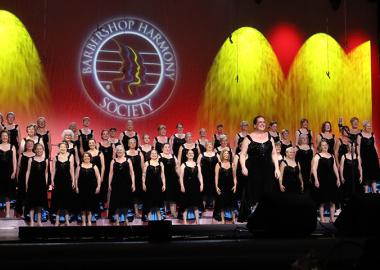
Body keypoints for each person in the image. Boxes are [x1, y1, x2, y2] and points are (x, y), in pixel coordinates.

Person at [239, 115, 280, 222]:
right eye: (260, 122)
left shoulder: (270, 137)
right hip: (253, 169)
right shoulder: (248, 138)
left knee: (268, 192)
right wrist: (243, 167)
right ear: (255, 125)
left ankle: (267, 216)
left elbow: (274, 154)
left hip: (268, 169)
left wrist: (277, 168)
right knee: (253, 192)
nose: (262, 124)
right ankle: (253, 217)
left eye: (264, 122)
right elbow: (242, 155)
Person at [312, 140, 340, 223]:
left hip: (331, 180)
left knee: (333, 200)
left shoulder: (331, 155)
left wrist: (338, 178)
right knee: (322, 200)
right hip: (322, 180)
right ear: (320, 147)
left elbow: (334, 167)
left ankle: (332, 218)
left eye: (326, 145)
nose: (325, 146)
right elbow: (314, 169)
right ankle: (322, 217)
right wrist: (316, 180)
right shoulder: (317, 156)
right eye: (323, 145)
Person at [108, 145, 135, 225]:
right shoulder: (113, 161)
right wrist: (109, 184)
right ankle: (117, 219)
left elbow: (132, 173)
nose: (119, 151)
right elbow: (111, 173)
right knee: (116, 202)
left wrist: (133, 183)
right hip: (116, 184)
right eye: (118, 150)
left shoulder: (128, 160)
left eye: (121, 150)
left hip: (126, 184)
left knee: (125, 202)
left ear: (123, 151)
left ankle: (126, 219)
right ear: (116, 151)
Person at [50, 142, 75, 226]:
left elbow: (72, 169)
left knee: (67, 200)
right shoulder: (56, 157)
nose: (63, 148)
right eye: (61, 147)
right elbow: (53, 170)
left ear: (67, 148)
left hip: (67, 181)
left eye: (64, 147)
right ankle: (57, 220)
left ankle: (67, 220)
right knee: (57, 200)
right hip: (58, 181)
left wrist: (73, 180)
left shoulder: (70, 156)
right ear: (59, 148)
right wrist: (52, 181)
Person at [25, 143, 48, 226]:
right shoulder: (31, 159)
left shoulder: (46, 159)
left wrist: (46, 183)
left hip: (41, 184)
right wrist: (26, 183)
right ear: (35, 150)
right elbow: (28, 171)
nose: (39, 150)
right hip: (32, 183)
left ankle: (39, 221)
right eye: (37, 149)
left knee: (39, 204)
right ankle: (31, 221)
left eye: (40, 149)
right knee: (32, 203)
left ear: (43, 150)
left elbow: (46, 173)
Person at [75, 152, 101, 226]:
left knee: (89, 205)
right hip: (82, 188)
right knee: (83, 206)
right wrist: (76, 187)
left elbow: (98, 177)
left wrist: (98, 186)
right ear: (83, 158)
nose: (86, 157)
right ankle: (83, 222)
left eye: (88, 156)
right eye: (85, 156)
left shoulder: (94, 166)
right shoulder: (79, 166)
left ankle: (89, 221)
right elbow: (76, 178)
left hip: (91, 188)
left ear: (90, 157)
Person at [179, 150, 203, 224]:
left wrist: (202, 184)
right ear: (186, 155)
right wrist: (182, 186)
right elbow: (181, 177)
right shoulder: (183, 165)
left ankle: (197, 221)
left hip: (195, 186)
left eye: (192, 153)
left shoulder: (197, 164)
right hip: (187, 186)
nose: (190, 154)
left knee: (196, 204)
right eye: (189, 153)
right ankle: (185, 221)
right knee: (185, 204)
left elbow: (200, 175)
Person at [214, 149, 237, 224]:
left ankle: (233, 220)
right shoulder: (218, 164)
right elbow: (216, 176)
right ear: (222, 155)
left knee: (232, 203)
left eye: (227, 154)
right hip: (222, 186)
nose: (226, 155)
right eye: (225, 154)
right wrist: (216, 186)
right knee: (222, 203)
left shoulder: (232, 164)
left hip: (230, 186)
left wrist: (235, 185)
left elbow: (234, 176)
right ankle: (223, 220)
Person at [142, 150, 166, 221]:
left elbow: (162, 175)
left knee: (158, 204)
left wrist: (164, 184)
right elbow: (143, 175)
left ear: (157, 155)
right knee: (149, 204)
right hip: (149, 186)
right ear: (150, 155)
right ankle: (149, 222)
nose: (154, 154)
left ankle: (159, 221)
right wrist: (143, 184)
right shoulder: (147, 163)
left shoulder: (161, 163)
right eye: (152, 153)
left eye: (155, 153)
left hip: (158, 186)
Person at [357, 121, 380, 193]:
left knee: (373, 175)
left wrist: (378, 157)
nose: (369, 127)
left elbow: (375, 146)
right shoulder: (359, 135)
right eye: (368, 126)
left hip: (373, 157)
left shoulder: (372, 134)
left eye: (370, 126)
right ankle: (366, 193)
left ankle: (374, 193)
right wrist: (359, 157)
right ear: (364, 127)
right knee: (366, 175)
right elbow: (358, 147)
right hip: (364, 157)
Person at [15, 139, 35, 216]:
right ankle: (22, 212)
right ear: (26, 145)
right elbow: (19, 167)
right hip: (22, 177)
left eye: (31, 144)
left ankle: (30, 212)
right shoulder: (21, 155)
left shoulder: (35, 155)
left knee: (30, 195)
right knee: (22, 194)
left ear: (33, 146)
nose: (29, 145)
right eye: (28, 144)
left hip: (32, 177)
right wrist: (17, 176)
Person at [160, 143, 179, 218]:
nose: (167, 148)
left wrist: (180, 177)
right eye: (165, 147)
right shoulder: (159, 156)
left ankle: (173, 213)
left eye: (168, 147)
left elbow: (177, 167)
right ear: (162, 149)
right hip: (163, 179)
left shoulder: (173, 156)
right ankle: (163, 213)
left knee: (173, 197)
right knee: (163, 196)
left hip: (173, 179)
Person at [0, 130, 17, 218]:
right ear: (1, 137)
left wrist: (14, 171)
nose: (4, 137)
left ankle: (7, 213)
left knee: (8, 193)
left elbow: (14, 160)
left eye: (6, 136)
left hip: (9, 172)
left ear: (8, 137)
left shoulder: (12, 147)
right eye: (3, 136)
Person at [126, 138, 144, 217]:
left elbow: (143, 166)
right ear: (128, 144)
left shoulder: (139, 153)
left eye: (134, 142)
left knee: (136, 194)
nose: (132, 143)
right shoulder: (125, 153)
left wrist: (144, 176)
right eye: (131, 142)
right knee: (129, 193)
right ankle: (128, 211)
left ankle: (136, 212)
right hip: (127, 176)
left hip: (138, 176)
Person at [198, 142, 218, 209]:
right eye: (208, 145)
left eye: (211, 145)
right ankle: (202, 208)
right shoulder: (201, 155)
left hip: (214, 176)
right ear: (205, 146)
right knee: (204, 192)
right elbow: (197, 165)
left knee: (214, 191)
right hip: (204, 176)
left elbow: (220, 164)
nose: (209, 146)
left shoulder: (216, 154)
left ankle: (215, 209)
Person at [98, 130, 114, 209]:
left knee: (109, 185)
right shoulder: (99, 144)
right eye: (103, 134)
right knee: (101, 184)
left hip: (110, 167)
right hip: (101, 167)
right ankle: (100, 202)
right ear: (101, 135)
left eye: (106, 134)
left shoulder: (112, 145)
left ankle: (108, 202)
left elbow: (114, 157)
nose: (105, 135)